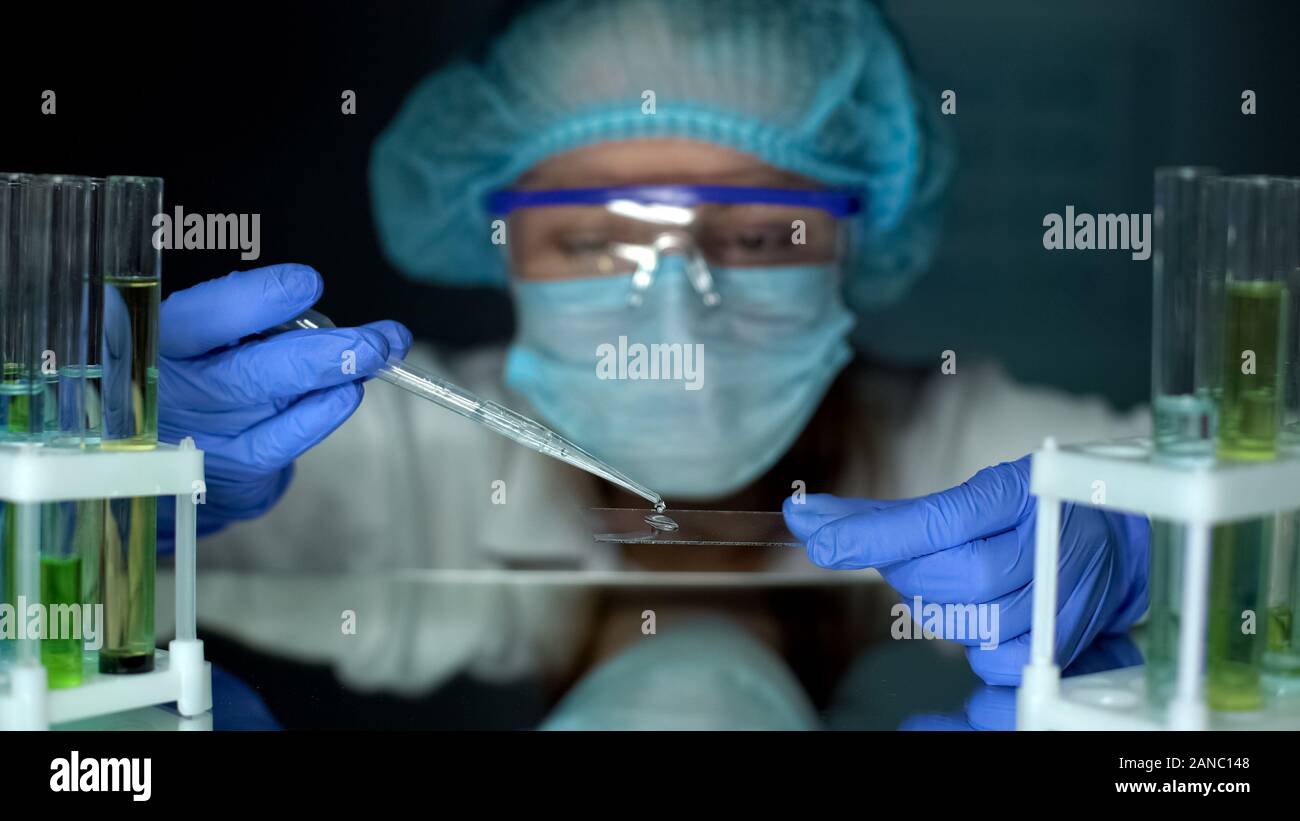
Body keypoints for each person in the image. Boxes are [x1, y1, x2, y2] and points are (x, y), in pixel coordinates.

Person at [161, 0, 1149, 710]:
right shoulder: (402, 459)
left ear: (859, 238)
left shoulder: (958, 447)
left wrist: (1161, 548)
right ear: (500, 249)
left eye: (761, 236)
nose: (675, 309)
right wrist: (109, 482)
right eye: (592, 239)